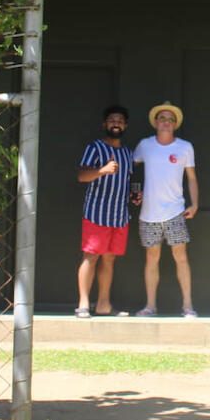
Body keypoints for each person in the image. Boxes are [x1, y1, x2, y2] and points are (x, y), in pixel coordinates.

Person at [131, 102, 199, 318]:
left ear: (175, 124)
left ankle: (188, 306)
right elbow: (130, 170)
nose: (166, 122)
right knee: (151, 258)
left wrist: (194, 204)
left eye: (171, 119)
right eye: (163, 118)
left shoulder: (185, 147)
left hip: (175, 211)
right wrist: (135, 192)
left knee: (181, 257)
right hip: (149, 213)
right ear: (155, 122)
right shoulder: (145, 145)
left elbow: (192, 178)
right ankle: (150, 306)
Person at [75, 104, 136, 318]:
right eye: (112, 120)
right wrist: (102, 170)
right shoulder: (95, 148)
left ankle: (103, 304)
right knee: (90, 256)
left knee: (109, 258)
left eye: (120, 120)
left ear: (125, 125)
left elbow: (126, 181)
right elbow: (82, 175)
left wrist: (133, 196)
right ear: (105, 124)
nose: (116, 123)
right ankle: (83, 304)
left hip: (119, 215)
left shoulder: (128, 153)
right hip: (96, 213)